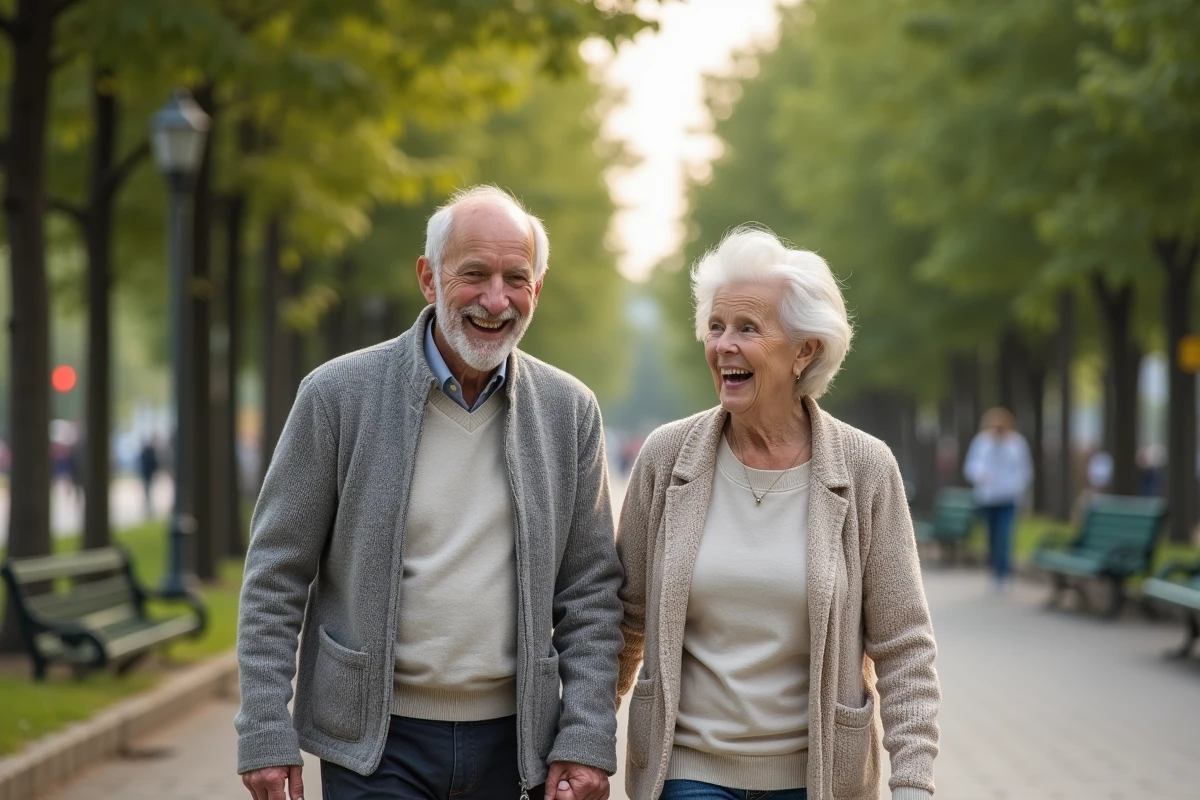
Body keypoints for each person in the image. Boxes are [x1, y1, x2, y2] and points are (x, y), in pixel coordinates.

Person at [235, 186, 624, 800]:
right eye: (474, 274)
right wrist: (262, 727)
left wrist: (585, 737)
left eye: (515, 278)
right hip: (375, 747)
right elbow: (275, 573)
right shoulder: (337, 396)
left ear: (537, 289)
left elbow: (592, 594)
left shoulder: (568, 412)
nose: (496, 300)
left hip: (517, 748)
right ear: (428, 278)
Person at [615, 228, 941, 800]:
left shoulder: (866, 469)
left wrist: (913, 782)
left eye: (747, 328)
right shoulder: (666, 460)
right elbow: (624, 622)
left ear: (805, 350)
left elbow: (904, 644)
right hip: (688, 771)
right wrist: (583, 746)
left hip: (816, 780)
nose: (724, 346)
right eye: (716, 327)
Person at [963, 407, 1033, 589]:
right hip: (988, 498)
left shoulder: (1017, 443)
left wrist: (1017, 488)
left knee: (1004, 534)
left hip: (1008, 498)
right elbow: (971, 466)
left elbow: (1025, 470)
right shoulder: (982, 442)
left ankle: (1003, 573)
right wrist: (981, 475)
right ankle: (994, 570)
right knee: (992, 536)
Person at [138, 439, 160, 517]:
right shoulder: (150, 452)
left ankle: (148, 505)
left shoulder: (146, 452)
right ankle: (148, 505)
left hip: (147, 473)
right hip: (147, 473)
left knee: (147, 489)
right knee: (148, 489)